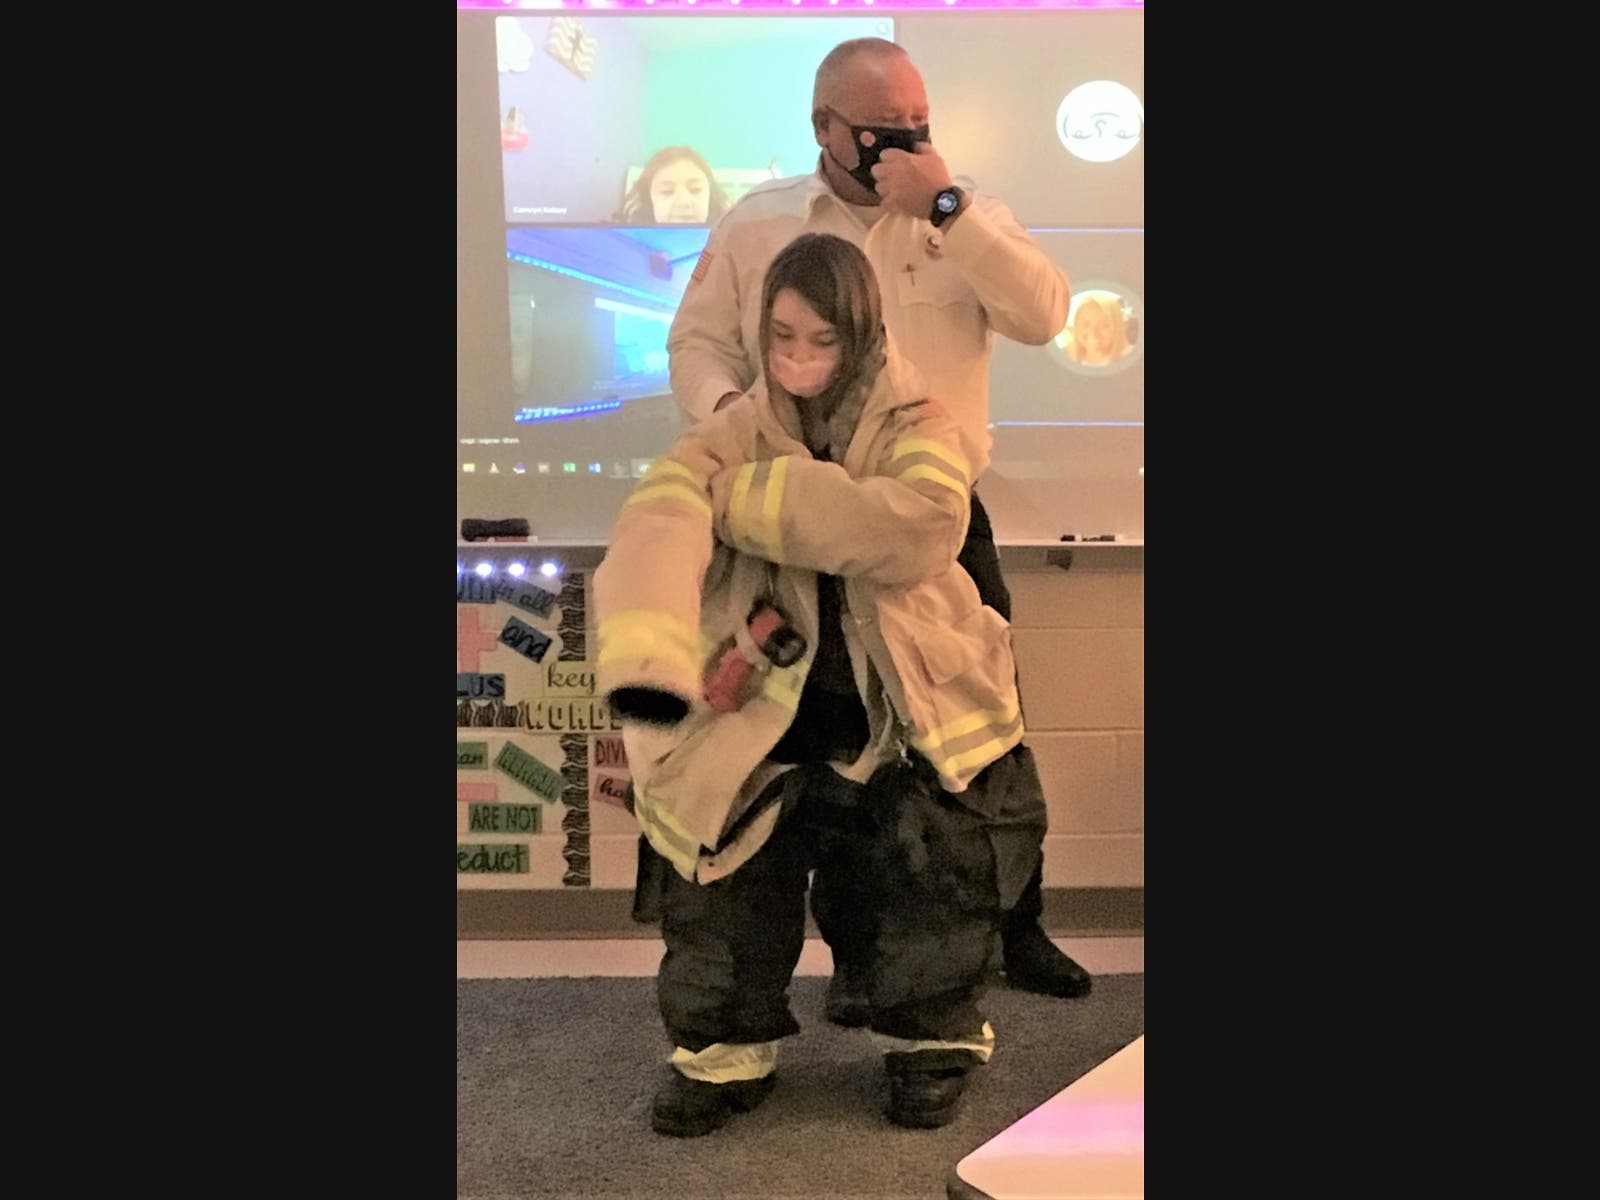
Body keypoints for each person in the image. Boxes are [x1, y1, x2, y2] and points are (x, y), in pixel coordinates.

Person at [665, 37, 1091, 1013]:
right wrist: (735, 420)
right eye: (881, 130)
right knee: (768, 732)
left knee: (987, 731)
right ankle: (754, 964)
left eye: (918, 125)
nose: (905, 143)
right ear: (824, 129)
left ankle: (1017, 926)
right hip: (785, 517)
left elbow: (1044, 314)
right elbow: (693, 345)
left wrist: (942, 206)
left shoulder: (963, 213)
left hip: (931, 521)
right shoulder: (759, 223)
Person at [594, 233, 1046, 1137]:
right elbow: (656, 530)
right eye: (783, 337)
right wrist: (648, 663)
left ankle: (931, 1047)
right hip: (761, 723)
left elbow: (919, 526)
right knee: (722, 896)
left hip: (900, 716)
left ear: (864, 334)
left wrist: (749, 502)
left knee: (926, 885)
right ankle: (723, 1057)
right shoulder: (725, 433)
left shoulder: (918, 417)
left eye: (824, 340)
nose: (799, 360)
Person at [615, 144, 731, 226]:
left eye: (695, 190)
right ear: (649, 200)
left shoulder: (730, 242)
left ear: (710, 196)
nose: (684, 202)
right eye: (667, 191)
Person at [1060, 293, 1131, 366]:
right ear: (1076, 327)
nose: (1093, 333)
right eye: (1086, 325)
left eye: (1104, 326)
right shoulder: (1062, 356)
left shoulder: (1131, 362)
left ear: (1117, 328)